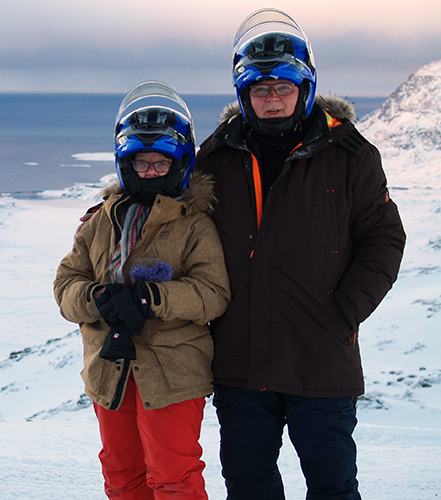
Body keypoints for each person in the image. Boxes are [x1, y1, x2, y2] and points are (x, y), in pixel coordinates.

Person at [194, 9, 406, 499]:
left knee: (332, 486)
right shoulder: (217, 155)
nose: (272, 100)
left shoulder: (350, 154)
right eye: (260, 89)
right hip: (240, 360)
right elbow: (170, 209)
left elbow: (384, 238)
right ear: (243, 93)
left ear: (305, 86)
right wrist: (111, 210)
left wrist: (344, 310)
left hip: (321, 359)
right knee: (248, 484)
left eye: (282, 87)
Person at [54, 81, 231, 500]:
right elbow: (66, 283)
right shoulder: (102, 221)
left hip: (171, 370)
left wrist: (152, 300)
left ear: (180, 164)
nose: (150, 173)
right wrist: (96, 300)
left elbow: (213, 293)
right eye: (141, 164)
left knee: (173, 477)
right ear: (125, 166)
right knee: (121, 475)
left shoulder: (195, 224)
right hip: (110, 369)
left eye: (160, 164)